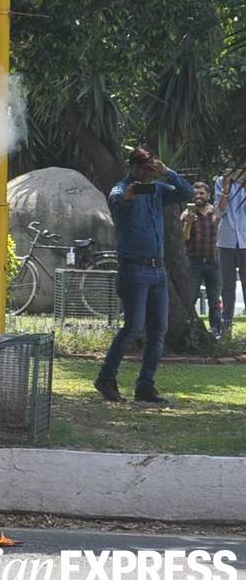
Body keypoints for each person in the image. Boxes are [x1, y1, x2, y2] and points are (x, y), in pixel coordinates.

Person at [94, 146, 194, 404]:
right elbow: (117, 200)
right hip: (134, 269)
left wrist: (167, 172)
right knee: (133, 326)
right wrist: (130, 194)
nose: (149, 176)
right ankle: (106, 377)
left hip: (158, 270)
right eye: (145, 170)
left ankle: (145, 386)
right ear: (134, 167)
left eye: (152, 170)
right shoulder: (120, 189)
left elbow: (187, 193)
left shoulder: (158, 190)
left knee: (158, 330)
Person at [181, 182, 221, 336]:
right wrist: (189, 224)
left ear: (208, 195)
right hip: (194, 263)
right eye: (196, 194)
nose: (198, 196)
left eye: (202, 193)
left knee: (214, 300)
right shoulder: (187, 214)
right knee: (191, 298)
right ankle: (190, 331)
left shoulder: (216, 213)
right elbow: (183, 238)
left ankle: (216, 331)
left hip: (213, 262)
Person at [214, 164, 246, 339]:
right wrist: (226, 191)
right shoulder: (221, 181)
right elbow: (219, 213)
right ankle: (226, 327)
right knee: (227, 285)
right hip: (226, 241)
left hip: (245, 241)